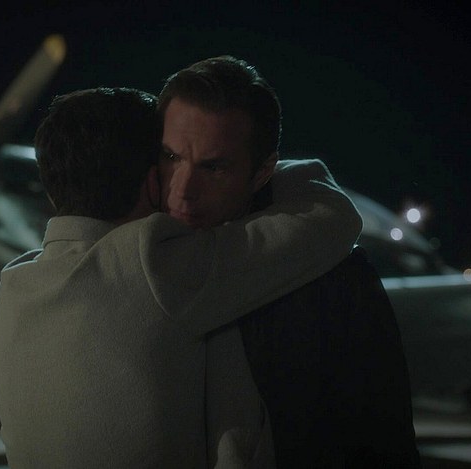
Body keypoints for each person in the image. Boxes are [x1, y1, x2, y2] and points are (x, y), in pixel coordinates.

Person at [0, 86, 362, 468]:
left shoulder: (14, 284)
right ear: (153, 182)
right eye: (171, 159)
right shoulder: (156, 263)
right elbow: (332, 218)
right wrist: (253, 172)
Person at [157, 56, 420, 467]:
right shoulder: (127, 244)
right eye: (171, 157)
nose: (182, 189)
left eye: (214, 167)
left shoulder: (335, 282)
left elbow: (384, 439)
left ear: (263, 172)